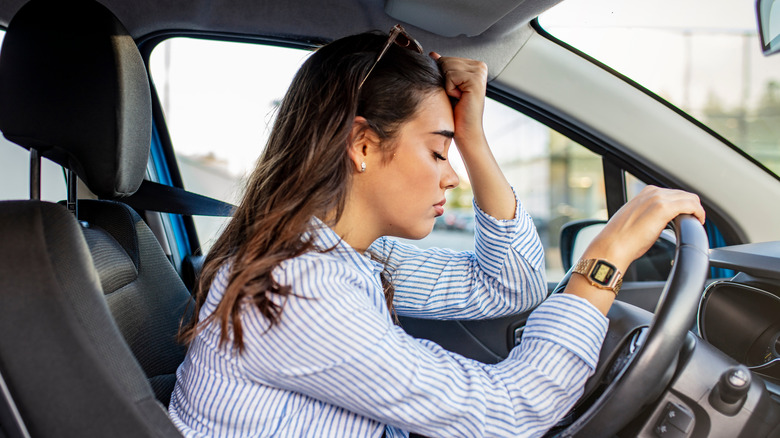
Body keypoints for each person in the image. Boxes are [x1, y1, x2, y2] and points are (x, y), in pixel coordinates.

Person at [168, 25, 705, 438]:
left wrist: (470, 135)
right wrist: (604, 259)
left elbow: (508, 286)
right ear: (361, 145)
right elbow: (509, 414)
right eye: (436, 150)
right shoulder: (297, 289)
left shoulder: (343, 254)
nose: (452, 174)